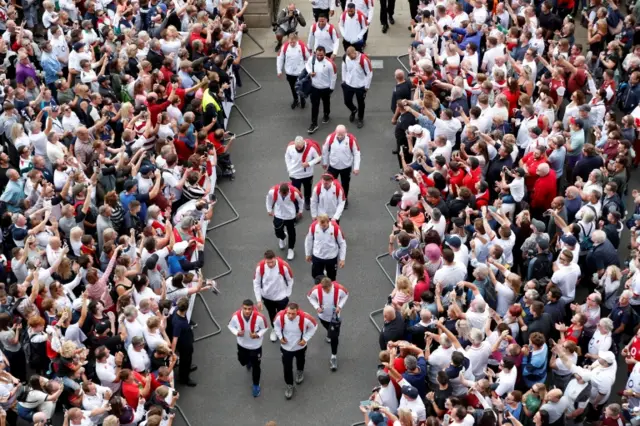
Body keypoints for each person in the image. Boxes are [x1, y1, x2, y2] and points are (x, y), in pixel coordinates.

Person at [273, 302, 318, 399]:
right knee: (287, 367)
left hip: (300, 347)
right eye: (288, 313)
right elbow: (276, 325)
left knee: (300, 360)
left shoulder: (305, 318)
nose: (290, 316)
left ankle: (300, 371)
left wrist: (305, 339)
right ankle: (289, 385)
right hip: (286, 348)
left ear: (298, 311)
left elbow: (314, 326)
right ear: (286, 311)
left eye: (293, 314)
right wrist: (280, 337)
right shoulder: (280, 316)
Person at [227, 299, 269, 398]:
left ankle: (256, 385)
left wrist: (257, 335)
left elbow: (265, 328)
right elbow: (230, 326)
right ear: (242, 307)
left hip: (255, 346)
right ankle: (248, 362)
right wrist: (237, 333)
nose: (247, 311)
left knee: (256, 366)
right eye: (245, 308)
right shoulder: (235, 316)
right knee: (242, 361)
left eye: (249, 309)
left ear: (252, 308)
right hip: (242, 345)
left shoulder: (260, 318)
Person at [307, 277, 348, 370]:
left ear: (331, 285)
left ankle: (333, 356)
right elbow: (309, 297)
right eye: (323, 289)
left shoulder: (339, 289)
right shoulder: (316, 290)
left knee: (334, 337)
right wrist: (317, 307)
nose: (325, 291)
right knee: (328, 329)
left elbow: (346, 295)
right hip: (323, 317)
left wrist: (340, 306)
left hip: (334, 318)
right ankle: (329, 333)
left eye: (327, 289)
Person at [252, 250, 294, 343]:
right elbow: (256, 283)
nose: (270, 264)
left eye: (272, 262)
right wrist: (258, 300)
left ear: (275, 258)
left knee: (281, 314)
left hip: (281, 298)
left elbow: (290, 279)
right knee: (272, 314)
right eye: (268, 262)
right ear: (265, 260)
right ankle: (275, 329)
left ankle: (282, 328)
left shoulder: (283, 266)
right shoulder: (260, 267)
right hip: (267, 297)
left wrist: (287, 294)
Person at [322, 125, 362, 208]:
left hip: (346, 167)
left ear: (346, 132)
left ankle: (344, 199)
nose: (340, 136)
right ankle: (333, 198)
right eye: (338, 134)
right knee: (331, 183)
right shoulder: (330, 138)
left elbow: (356, 153)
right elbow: (325, 150)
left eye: (342, 134)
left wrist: (356, 167)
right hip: (333, 166)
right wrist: (325, 162)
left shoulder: (351, 140)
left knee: (345, 184)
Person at [266, 182, 304, 260]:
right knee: (277, 230)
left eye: (285, 194)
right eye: (282, 194)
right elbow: (269, 199)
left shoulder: (294, 193)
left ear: (288, 191)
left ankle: (291, 249)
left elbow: (301, 200)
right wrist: (269, 209)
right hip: (278, 214)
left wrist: (300, 211)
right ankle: (282, 237)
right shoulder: (272, 192)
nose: (283, 195)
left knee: (291, 233)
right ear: (279, 191)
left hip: (290, 215)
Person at [304, 214, 347, 280]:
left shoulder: (335, 228)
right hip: (317, 256)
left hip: (331, 257)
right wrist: (308, 254)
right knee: (316, 277)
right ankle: (321, 277)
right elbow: (308, 240)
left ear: (328, 222)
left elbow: (342, 243)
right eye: (320, 225)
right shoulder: (314, 226)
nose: (322, 227)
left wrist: (342, 259)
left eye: (324, 225)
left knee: (332, 278)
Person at [306, 46, 337, 134]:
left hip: (325, 88)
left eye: (321, 55)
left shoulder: (329, 63)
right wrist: (309, 72)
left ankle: (326, 114)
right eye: (318, 54)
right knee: (314, 106)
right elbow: (307, 65)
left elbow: (333, 77)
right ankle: (314, 123)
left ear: (324, 54)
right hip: (314, 87)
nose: (319, 56)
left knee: (326, 102)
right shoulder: (312, 59)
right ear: (315, 53)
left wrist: (331, 89)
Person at [285, 136, 322, 211]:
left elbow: (318, 158)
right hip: (295, 175)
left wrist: (309, 163)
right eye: (297, 147)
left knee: (307, 189)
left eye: (300, 147)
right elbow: (287, 157)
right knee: (296, 190)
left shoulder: (311, 148)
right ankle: (297, 203)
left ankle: (307, 201)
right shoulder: (290, 148)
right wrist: (289, 168)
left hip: (307, 174)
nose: (298, 149)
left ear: (303, 144)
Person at [277, 33, 312, 109]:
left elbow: (309, 58)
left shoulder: (302, 46)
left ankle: (302, 99)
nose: (292, 44)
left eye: (294, 42)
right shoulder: (285, 47)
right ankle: (295, 99)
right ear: (288, 40)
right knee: (292, 87)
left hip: (300, 72)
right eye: (290, 42)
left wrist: (309, 69)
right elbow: (280, 58)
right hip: (289, 72)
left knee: (301, 86)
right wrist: (279, 70)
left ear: (296, 40)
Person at [341, 47, 372, 129]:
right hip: (348, 84)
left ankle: (360, 118)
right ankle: (354, 110)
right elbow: (344, 67)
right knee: (347, 101)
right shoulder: (346, 57)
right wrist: (344, 80)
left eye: (351, 56)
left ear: (354, 52)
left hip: (360, 86)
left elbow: (369, 73)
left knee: (361, 103)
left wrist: (367, 86)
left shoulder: (364, 59)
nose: (350, 58)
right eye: (348, 57)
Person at [171, 297, 197, 387]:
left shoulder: (176, 311)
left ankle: (187, 368)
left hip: (186, 340)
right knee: (185, 360)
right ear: (186, 308)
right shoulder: (179, 323)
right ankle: (184, 378)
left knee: (187, 359)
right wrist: (172, 353)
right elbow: (175, 339)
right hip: (184, 345)